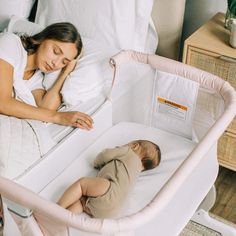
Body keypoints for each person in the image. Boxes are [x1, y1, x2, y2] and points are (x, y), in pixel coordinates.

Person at [0, 22, 93, 129]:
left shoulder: (36, 79)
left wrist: (65, 72)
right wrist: (59, 117)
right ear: (44, 38)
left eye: (64, 62)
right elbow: (3, 102)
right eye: (56, 52)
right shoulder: (10, 43)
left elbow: (46, 109)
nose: (56, 63)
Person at [57, 139, 161, 219]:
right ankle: (62, 221)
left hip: (110, 191)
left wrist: (96, 163)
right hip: (113, 212)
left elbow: (105, 155)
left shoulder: (128, 152)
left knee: (82, 184)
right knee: (81, 203)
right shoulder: (136, 172)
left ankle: (57, 209)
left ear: (135, 145)